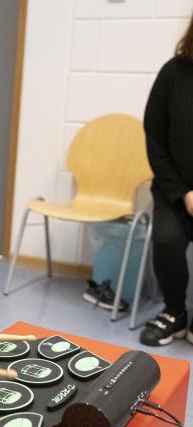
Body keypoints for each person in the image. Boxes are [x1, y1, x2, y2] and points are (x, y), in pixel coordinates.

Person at [140, 16, 193, 347]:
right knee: (166, 238)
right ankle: (175, 313)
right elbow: (154, 139)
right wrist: (183, 192)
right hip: (174, 191)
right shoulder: (173, 73)